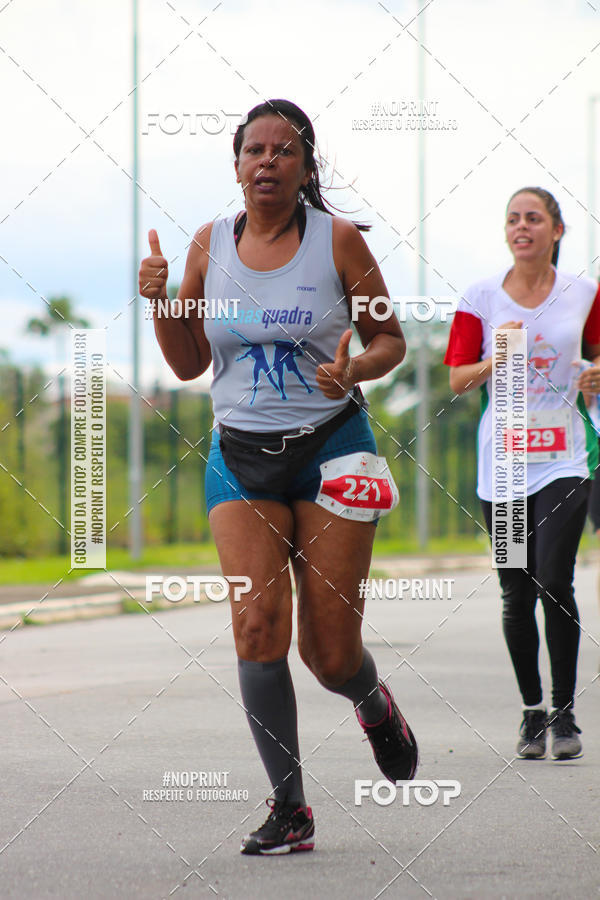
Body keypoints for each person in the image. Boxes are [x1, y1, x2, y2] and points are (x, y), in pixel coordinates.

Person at [139, 99, 418, 855]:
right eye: (253, 150)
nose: (267, 161)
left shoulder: (341, 242)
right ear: (236, 166)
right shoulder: (206, 245)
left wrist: (356, 365)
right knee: (257, 627)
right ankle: (290, 808)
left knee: (327, 655)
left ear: (304, 167)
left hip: (332, 450)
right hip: (240, 456)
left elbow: (391, 337)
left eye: (283, 151)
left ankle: (369, 698)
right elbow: (191, 364)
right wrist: (162, 302)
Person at [444, 187, 600, 761]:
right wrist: (494, 360)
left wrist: (597, 374)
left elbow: (599, 356)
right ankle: (532, 711)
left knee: (555, 580)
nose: (522, 227)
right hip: (505, 465)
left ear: (557, 230)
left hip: (564, 457)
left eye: (534, 218)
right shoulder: (481, 297)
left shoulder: (584, 293)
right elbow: (458, 379)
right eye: (512, 219)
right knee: (516, 590)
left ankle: (565, 714)